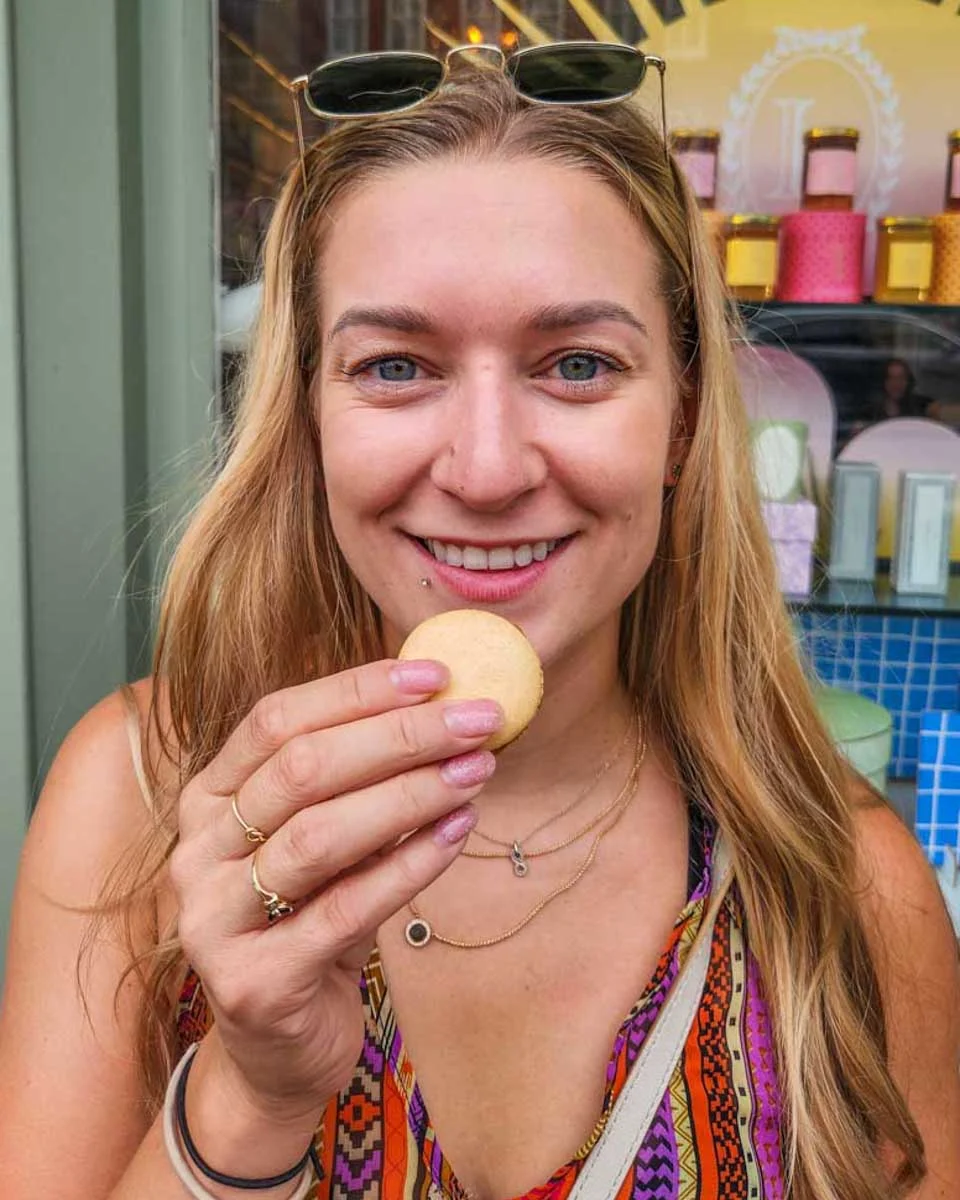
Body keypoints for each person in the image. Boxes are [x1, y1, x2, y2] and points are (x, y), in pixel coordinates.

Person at [1, 47, 958, 1200]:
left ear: (683, 419)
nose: (490, 469)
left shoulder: (848, 884)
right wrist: (249, 1099)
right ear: (306, 415)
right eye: (396, 365)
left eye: (578, 364)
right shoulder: (140, 798)